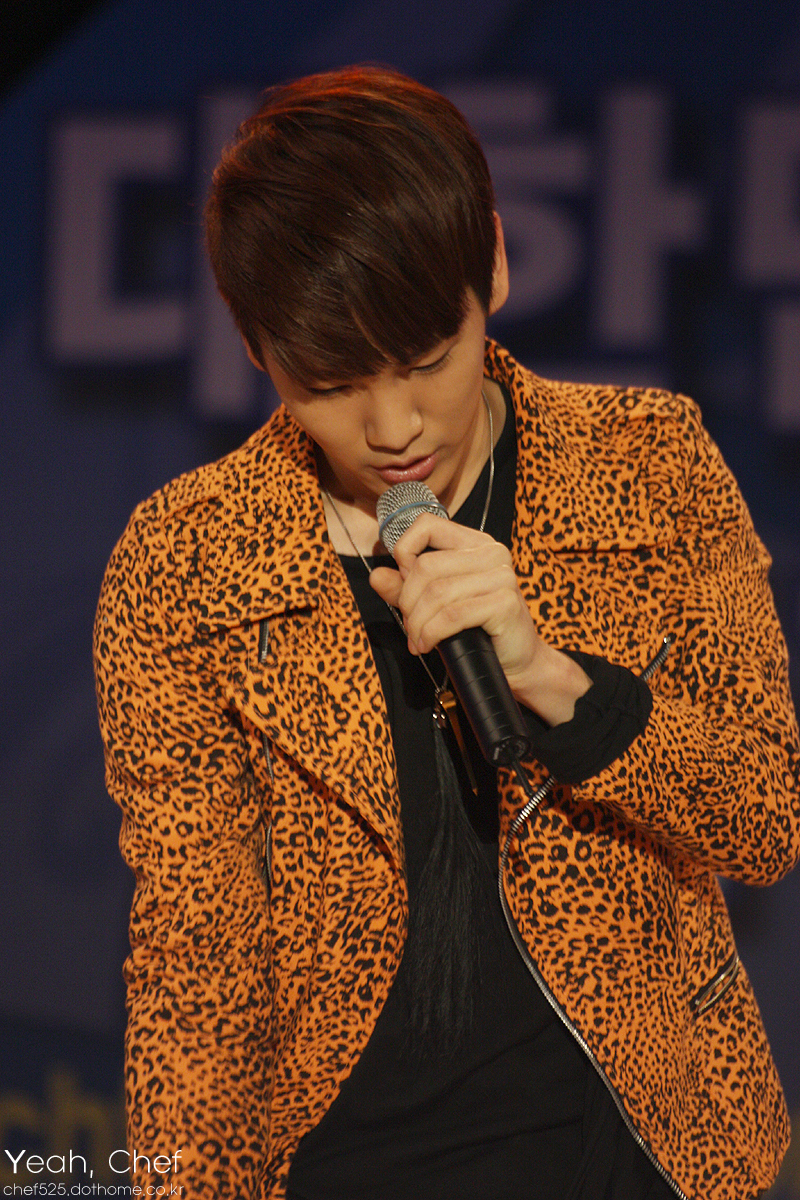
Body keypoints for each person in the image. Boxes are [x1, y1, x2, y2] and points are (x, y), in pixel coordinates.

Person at [93, 66, 800, 1200]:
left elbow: (763, 818)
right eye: (331, 384)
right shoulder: (187, 563)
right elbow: (196, 957)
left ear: (496, 268)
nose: (393, 427)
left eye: (425, 361)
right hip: (345, 1161)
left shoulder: (648, 463)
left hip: (632, 1147)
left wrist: (551, 679)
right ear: (255, 346)